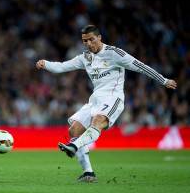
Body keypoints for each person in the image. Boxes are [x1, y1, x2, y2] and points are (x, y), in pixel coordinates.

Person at [36, 25, 177, 183]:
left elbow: (139, 66)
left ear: (99, 37)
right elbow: (62, 66)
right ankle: (88, 173)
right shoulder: (85, 58)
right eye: (85, 41)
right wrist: (46, 64)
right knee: (74, 130)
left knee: (97, 122)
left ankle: (74, 147)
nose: (88, 43)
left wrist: (163, 80)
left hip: (113, 98)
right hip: (95, 99)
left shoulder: (114, 53)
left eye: (91, 39)